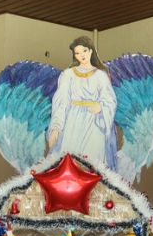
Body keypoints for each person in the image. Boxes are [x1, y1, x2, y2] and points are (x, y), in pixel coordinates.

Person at [45, 36, 118, 169]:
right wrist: (56, 127)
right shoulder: (68, 74)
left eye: (84, 51)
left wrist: (100, 106)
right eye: (77, 53)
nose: (82, 55)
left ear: (90, 51)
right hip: (73, 123)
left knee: (92, 163)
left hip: (94, 123)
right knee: (71, 161)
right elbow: (61, 102)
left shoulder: (100, 75)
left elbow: (110, 99)